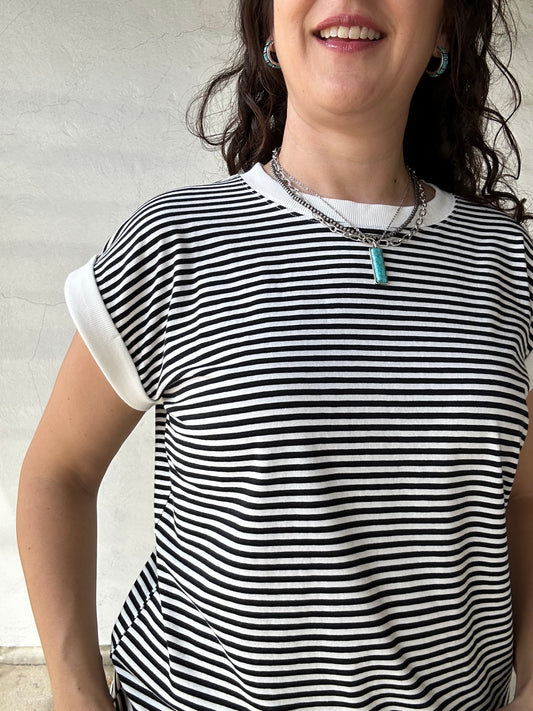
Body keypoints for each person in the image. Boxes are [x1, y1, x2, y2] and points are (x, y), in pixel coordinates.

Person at [16, 0, 533, 710]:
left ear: (444, 27)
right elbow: (59, 475)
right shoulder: (173, 244)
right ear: (267, 23)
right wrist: (77, 696)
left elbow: (522, 499)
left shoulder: (505, 263)